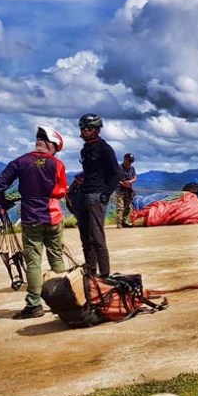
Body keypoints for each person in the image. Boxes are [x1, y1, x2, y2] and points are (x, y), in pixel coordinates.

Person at [0, 126, 68, 319]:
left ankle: (34, 305)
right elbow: (61, 192)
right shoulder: (57, 164)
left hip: (31, 217)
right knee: (56, 257)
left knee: (33, 262)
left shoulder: (20, 162)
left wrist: (4, 202)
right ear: (51, 145)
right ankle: (63, 300)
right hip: (53, 217)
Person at [73, 113, 122, 276]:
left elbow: (117, 173)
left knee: (97, 237)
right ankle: (91, 272)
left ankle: (105, 275)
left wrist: (106, 193)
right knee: (85, 237)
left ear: (98, 129)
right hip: (84, 195)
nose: (86, 130)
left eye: (90, 127)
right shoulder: (85, 149)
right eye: (83, 127)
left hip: (97, 195)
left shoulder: (105, 149)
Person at [116, 153, 137, 228]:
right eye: (129, 160)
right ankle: (119, 223)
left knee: (127, 207)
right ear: (125, 159)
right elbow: (114, 178)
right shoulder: (118, 167)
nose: (130, 162)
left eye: (131, 161)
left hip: (128, 190)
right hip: (120, 189)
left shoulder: (132, 168)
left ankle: (124, 221)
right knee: (120, 207)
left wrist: (130, 182)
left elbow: (135, 178)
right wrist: (122, 183)